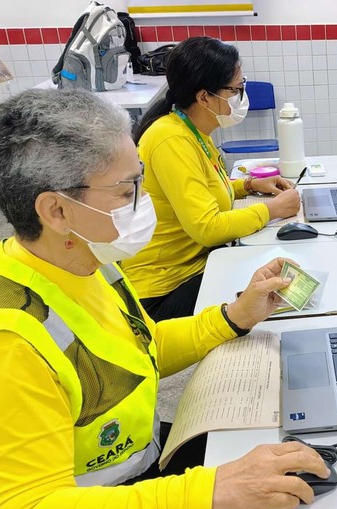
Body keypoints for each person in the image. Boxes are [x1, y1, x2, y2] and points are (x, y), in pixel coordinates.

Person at [0, 88, 329, 509]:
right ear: (56, 211)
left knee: (291, 454)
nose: (144, 199)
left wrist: (234, 317)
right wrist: (207, 493)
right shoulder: (2, 349)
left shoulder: (84, 262)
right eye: (127, 188)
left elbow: (138, 351)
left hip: (122, 479)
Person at [122, 37, 301, 322]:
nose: (242, 97)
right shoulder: (170, 140)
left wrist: (249, 186)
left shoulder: (192, 131)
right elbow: (207, 227)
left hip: (195, 265)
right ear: (204, 96)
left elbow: (204, 189)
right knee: (275, 286)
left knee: (273, 267)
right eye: (236, 89)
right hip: (162, 290)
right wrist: (273, 210)